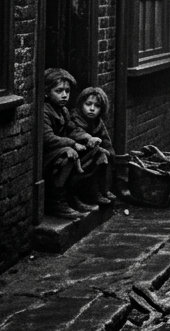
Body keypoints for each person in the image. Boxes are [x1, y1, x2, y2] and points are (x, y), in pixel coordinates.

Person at [42, 68, 103, 218]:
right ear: (47, 92)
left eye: (67, 91)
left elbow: (72, 129)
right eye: (59, 91)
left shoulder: (63, 110)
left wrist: (87, 138)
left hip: (60, 150)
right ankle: (56, 202)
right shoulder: (44, 112)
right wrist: (72, 145)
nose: (64, 95)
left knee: (96, 151)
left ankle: (72, 196)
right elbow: (48, 138)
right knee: (70, 155)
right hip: (47, 156)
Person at [71, 86, 116, 205]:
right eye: (88, 104)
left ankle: (103, 189)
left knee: (106, 154)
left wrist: (111, 153)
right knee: (101, 155)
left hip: (91, 153)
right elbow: (77, 134)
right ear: (81, 104)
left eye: (97, 106)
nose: (92, 109)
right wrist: (93, 142)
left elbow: (105, 140)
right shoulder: (74, 118)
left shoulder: (97, 122)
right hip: (77, 157)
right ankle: (93, 193)